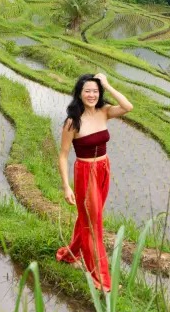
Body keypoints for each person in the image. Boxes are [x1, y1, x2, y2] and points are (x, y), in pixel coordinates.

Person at [55, 73, 133, 292]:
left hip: (104, 168)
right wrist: (66, 186)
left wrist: (107, 83)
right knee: (93, 225)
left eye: (95, 91)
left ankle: (71, 255)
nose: (91, 95)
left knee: (88, 217)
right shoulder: (73, 122)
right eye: (87, 91)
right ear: (80, 93)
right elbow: (63, 155)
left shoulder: (104, 111)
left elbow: (128, 106)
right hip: (86, 172)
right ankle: (102, 281)